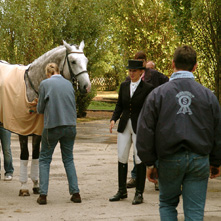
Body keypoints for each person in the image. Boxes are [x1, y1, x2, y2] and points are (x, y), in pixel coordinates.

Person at [136, 45, 221, 220]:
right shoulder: (208, 96)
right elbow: (217, 130)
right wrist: (216, 160)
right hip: (199, 160)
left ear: (172, 63)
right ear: (195, 66)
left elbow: (145, 130)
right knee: (195, 212)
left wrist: (150, 163)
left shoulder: (157, 94)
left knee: (167, 204)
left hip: (169, 159)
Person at [109, 60, 153, 205]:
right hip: (124, 125)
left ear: (142, 72)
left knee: (139, 157)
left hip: (140, 126)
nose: (132, 73)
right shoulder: (123, 86)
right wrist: (113, 119)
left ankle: (139, 193)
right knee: (122, 155)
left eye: (134, 71)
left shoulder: (148, 88)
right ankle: (122, 190)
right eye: (130, 71)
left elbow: (149, 109)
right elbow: (119, 105)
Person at [36, 63, 81, 205]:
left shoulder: (45, 84)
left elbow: (40, 109)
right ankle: (76, 193)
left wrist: (37, 103)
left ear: (47, 74)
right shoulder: (68, 84)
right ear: (58, 71)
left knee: (44, 159)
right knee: (68, 159)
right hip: (70, 126)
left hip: (53, 126)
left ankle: (43, 195)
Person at [126, 51, 169, 190]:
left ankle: (157, 178)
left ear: (145, 62)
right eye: (137, 60)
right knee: (138, 147)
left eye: (141, 60)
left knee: (155, 146)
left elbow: (168, 82)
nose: (140, 62)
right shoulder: (130, 78)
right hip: (137, 116)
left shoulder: (153, 75)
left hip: (153, 115)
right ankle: (135, 176)